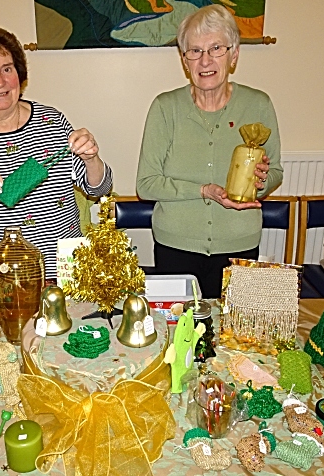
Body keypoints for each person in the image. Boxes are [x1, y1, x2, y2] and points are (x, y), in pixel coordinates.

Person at [0, 21, 113, 279]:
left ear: (19, 76)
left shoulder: (52, 121)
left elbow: (99, 189)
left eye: (7, 69)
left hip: (63, 268)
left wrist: (92, 159)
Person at [136, 5, 283, 298]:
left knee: (233, 336)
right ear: (184, 60)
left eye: (216, 48)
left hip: (239, 244)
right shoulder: (166, 108)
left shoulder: (258, 105)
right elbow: (146, 184)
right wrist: (204, 190)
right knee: (178, 333)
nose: (205, 60)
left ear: (234, 55)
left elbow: (275, 170)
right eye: (194, 51)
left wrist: (260, 182)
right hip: (175, 245)